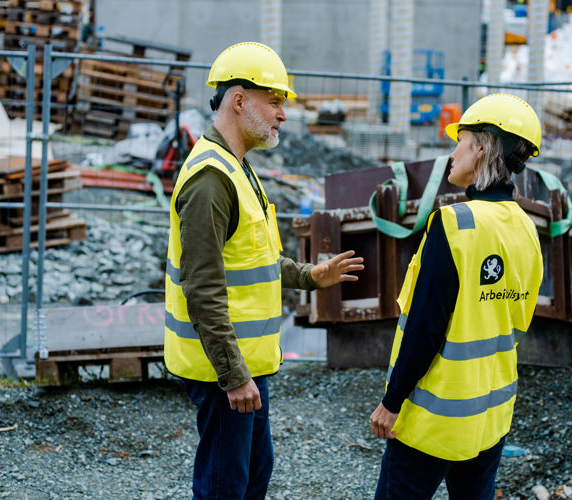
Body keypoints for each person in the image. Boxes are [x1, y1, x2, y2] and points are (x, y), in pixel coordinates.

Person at [164, 42, 364, 500]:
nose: (283, 114)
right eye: (274, 101)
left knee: (254, 473)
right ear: (239, 100)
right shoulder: (211, 179)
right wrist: (233, 376)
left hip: (246, 363)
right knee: (224, 486)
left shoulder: (237, 167)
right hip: (223, 370)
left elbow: (250, 260)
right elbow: (204, 287)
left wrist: (311, 275)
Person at [369, 93, 544, 500]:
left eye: (459, 142)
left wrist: (391, 401)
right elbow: (517, 321)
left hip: (434, 421)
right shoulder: (526, 229)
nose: (452, 155)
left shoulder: (455, 224)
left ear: (481, 146)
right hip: (491, 416)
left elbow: (425, 327)